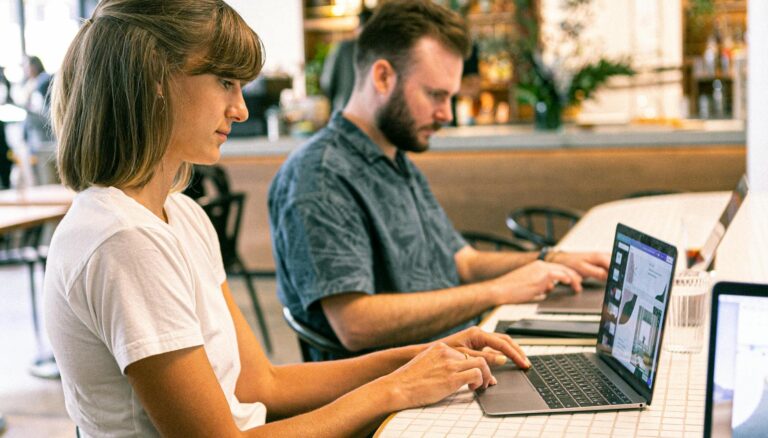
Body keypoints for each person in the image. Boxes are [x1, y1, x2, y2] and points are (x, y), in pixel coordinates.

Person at [44, 1, 530, 436]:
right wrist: (393, 390)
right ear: (154, 81)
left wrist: (426, 355)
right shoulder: (122, 240)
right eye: (225, 82)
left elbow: (263, 384)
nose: (238, 109)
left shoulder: (180, 214)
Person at [269, 0, 610, 361]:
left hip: (454, 356)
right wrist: (496, 291)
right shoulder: (320, 176)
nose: (446, 114)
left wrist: (551, 259)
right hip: (392, 392)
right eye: (435, 95)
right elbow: (355, 324)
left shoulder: (395, 159)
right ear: (383, 76)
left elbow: (462, 261)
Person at [319, 8, 372, 113]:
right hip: (370, 116)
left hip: (343, 111)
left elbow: (327, 82)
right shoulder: (380, 49)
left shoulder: (342, 48)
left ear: (357, 28)